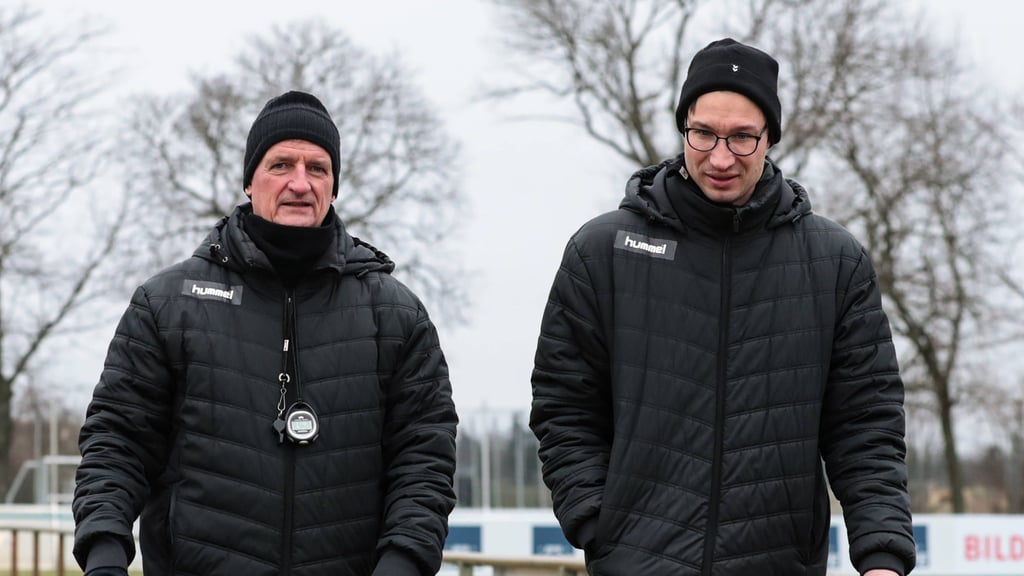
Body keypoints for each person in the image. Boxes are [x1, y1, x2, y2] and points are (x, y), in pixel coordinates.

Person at [529, 38, 916, 576]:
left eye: (741, 137)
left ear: (770, 137)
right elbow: (564, 405)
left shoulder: (836, 263)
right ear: (683, 127)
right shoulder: (603, 251)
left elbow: (866, 427)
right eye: (704, 133)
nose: (719, 157)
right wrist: (601, 524)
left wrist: (882, 555)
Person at [72, 90, 458, 576]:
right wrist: (104, 553)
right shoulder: (167, 304)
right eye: (281, 165)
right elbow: (117, 441)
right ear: (249, 182)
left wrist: (403, 563)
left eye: (317, 168)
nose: (300, 183)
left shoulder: (396, 316)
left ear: (334, 186)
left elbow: (424, 458)